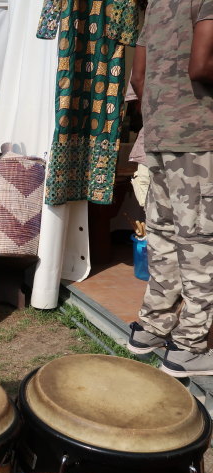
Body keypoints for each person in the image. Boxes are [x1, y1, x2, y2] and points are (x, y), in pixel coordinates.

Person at [127, 0, 213, 377]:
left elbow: (138, 77)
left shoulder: (160, 4)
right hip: (199, 137)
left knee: (163, 235)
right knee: (201, 243)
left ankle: (151, 329)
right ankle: (190, 348)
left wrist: (160, 119)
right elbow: (202, 65)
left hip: (160, 134)